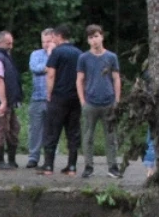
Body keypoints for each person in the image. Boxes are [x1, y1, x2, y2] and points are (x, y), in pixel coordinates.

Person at [76, 24, 123, 179]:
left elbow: (116, 78)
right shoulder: (83, 58)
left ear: (102, 37)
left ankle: (113, 166)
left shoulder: (111, 57)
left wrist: (117, 99)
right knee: (88, 136)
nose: (94, 40)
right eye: (91, 37)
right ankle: (88, 166)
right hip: (90, 102)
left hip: (108, 101)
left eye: (96, 36)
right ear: (88, 40)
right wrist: (82, 100)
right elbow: (80, 80)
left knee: (111, 136)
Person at [40, 25, 83, 175]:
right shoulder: (79, 53)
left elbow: (50, 74)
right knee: (73, 132)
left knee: (52, 131)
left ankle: (48, 166)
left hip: (58, 97)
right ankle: (72, 167)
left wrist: (49, 93)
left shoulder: (57, 53)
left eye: (54, 37)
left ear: (58, 36)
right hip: (75, 98)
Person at [0, 30, 23, 170]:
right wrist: (3, 102)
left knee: (14, 127)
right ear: (0, 42)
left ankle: (11, 159)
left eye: (11, 43)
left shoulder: (5, 56)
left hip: (9, 101)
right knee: (1, 128)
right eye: (8, 43)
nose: (11, 46)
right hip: (1, 102)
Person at [26, 29, 55, 168]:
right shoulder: (35, 54)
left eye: (48, 41)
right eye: (43, 41)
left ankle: (49, 158)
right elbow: (35, 68)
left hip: (53, 98)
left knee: (52, 129)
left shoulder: (59, 54)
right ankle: (33, 157)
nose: (45, 44)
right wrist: (49, 65)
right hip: (37, 97)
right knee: (35, 129)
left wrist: (50, 58)